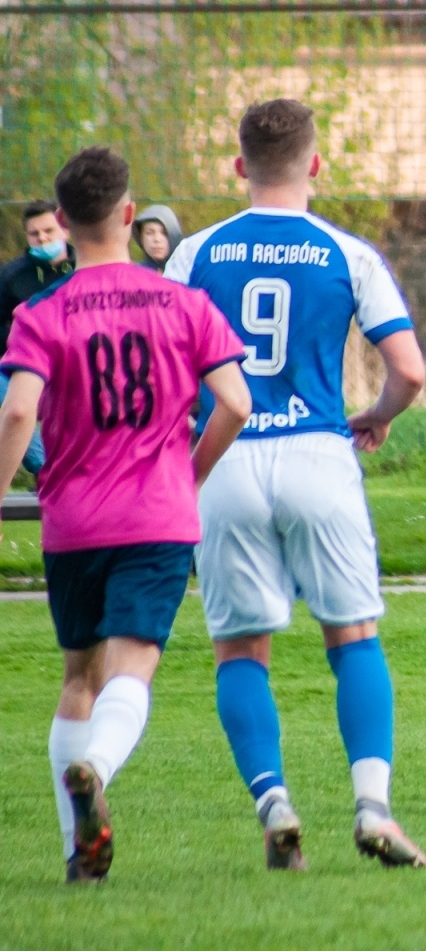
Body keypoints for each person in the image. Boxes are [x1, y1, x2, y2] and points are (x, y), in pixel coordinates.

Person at [165, 99, 426, 870]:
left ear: (240, 167)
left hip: (226, 457)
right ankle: (373, 808)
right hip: (319, 452)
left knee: (240, 648)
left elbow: (171, 370)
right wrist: (376, 415)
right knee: (352, 635)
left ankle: (274, 800)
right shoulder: (347, 254)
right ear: (314, 165)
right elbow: (409, 370)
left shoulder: (194, 256)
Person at [0, 148, 250, 882]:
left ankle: (77, 852)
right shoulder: (185, 304)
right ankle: (98, 771)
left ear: (65, 224)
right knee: (133, 667)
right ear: (129, 214)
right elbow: (236, 402)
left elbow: (18, 410)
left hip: (74, 520)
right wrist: (189, 472)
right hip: (158, 514)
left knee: (79, 675)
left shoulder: (39, 312)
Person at [0, 199, 75, 474]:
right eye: (35, 234)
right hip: (27, 365)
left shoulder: (86, 266)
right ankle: (48, 469)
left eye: (49, 231)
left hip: (78, 362)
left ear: (64, 230)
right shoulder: (11, 276)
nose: (42, 239)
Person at [133, 204, 182, 272]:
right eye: (149, 233)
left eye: (164, 233)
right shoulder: (134, 274)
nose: (157, 239)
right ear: (141, 237)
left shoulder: (186, 272)